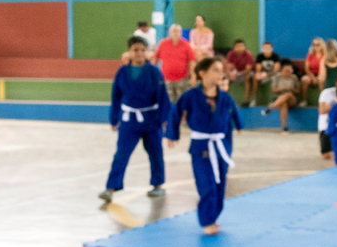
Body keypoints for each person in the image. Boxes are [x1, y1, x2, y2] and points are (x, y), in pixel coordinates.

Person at [166, 57, 242, 235]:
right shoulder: (191, 96)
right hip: (200, 147)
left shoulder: (225, 97)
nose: (220, 73)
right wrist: (172, 133)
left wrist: (239, 124)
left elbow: (233, 113)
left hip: (221, 145)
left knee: (219, 186)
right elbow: (175, 112)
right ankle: (206, 220)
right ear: (203, 73)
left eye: (221, 70)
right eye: (216, 70)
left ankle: (213, 217)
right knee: (206, 184)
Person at [98, 35, 170, 204]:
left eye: (142, 50)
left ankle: (158, 184)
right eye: (135, 50)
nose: (139, 53)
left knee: (155, 153)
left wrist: (166, 118)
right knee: (121, 154)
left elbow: (163, 97)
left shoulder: (154, 72)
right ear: (129, 52)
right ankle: (111, 188)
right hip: (129, 120)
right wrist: (114, 118)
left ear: (147, 52)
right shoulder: (122, 72)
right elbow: (115, 97)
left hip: (151, 120)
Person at [154, 24, 196, 102]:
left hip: (182, 79)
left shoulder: (186, 44)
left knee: (181, 102)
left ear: (181, 33)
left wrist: (193, 76)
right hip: (166, 79)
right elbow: (155, 59)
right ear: (170, 32)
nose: (176, 33)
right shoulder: (163, 43)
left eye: (178, 31)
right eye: (174, 31)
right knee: (168, 101)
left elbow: (192, 61)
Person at [263, 60, 300, 131]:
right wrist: (282, 88)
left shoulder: (294, 78)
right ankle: (284, 127)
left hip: (291, 99)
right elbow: (273, 89)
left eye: (289, 71)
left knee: (288, 94)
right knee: (284, 103)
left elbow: (298, 91)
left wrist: (291, 89)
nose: (288, 72)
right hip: (280, 99)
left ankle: (272, 106)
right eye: (286, 70)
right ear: (282, 70)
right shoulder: (277, 77)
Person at [224, 39, 256, 106]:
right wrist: (231, 73)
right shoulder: (230, 54)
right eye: (238, 46)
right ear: (234, 47)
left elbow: (248, 69)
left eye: (241, 46)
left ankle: (247, 101)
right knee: (226, 77)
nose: (240, 48)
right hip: (236, 73)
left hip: (252, 72)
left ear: (244, 47)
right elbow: (229, 67)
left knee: (248, 76)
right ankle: (225, 99)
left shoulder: (248, 54)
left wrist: (239, 74)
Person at [252, 41, 283, 106]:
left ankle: (275, 100)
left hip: (273, 75)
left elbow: (276, 70)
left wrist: (267, 74)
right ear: (262, 48)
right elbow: (258, 69)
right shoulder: (260, 56)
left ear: (272, 48)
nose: (266, 49)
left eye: (268, 48)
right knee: (255, 78)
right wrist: (259, 74)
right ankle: (254, 100)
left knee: (276, 77)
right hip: (264, 75)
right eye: (265, 48)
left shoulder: (275, 56)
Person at [300, 37, 325, 103]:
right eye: (314, 44)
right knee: (304, 80)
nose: (315, 46)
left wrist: (319, 76)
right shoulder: (310, 55)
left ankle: (322, 101)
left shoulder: (325, 55)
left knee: (321, 80)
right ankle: (304, 100)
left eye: (318, 45)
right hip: (311, 75)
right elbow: (307, 68)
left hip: (322, 75)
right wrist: (313, 77)